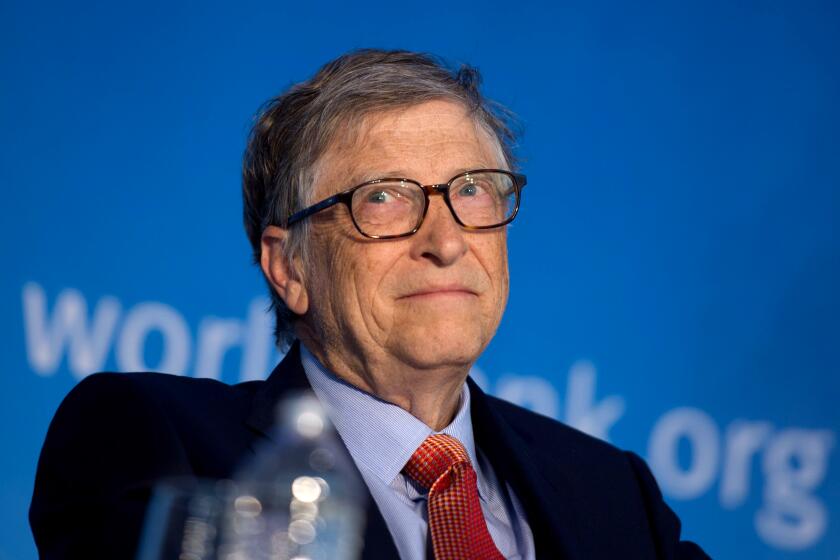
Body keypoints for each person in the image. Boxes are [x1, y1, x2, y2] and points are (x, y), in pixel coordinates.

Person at [30, 49, 709, 559]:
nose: (446, 242)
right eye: (383, 197)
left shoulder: (614, 496)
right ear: (289, 267)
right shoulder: (156, 440)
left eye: (472, 190)